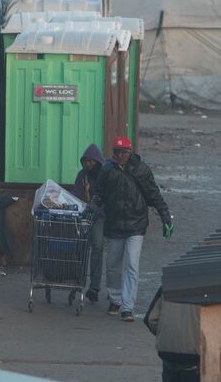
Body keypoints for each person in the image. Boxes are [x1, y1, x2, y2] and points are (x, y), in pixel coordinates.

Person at [95, 135, 171, 321]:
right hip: (114, 224)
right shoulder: (107, 170)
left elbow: (154, 195)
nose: (120, 155)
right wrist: (92, 209)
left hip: (136, 224)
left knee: (131, 265)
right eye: (117, 152)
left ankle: (127, 307)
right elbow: (99, 194)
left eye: (123, 152)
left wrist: (166, 217)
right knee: (112, 266)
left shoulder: (141, 170)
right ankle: (115, 298)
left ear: (130, 152)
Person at [144, 288, 200, 382]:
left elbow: (151, 318)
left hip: (168, 353)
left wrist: (166, 335)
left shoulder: (168, 284)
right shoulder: (209, 285)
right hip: (195, 358)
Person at [69, 143, 106, 303]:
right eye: (85, 161)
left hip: (98, 217)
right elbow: (76, 194)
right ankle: (78, 280)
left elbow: (104, 199)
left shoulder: (104, 176)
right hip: (83, 216)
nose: (88, 164)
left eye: (91, 161)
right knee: (80, 249)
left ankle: (94, 286)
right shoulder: (81, 176)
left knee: (97, 247)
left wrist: (94, 207)